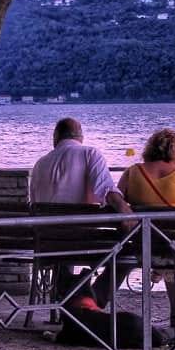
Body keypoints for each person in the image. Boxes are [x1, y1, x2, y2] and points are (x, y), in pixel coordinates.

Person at [30, 118, 134, 306]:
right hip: (82, 242)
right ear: (80, 136)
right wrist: (124, 210)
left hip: (46, 245)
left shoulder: (39, 164)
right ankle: (94, 297)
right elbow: (106, 188)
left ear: (56, 137)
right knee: (129, 253)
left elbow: (34, 205)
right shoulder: (89, 153)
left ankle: (69, 300)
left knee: (63, 247)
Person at [118, 128, 175, 327]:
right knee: (170, 252)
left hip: (138, 245)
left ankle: (97, 305)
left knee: (157, 247)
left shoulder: (132, 172)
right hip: (174, 247)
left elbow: (116, 201)